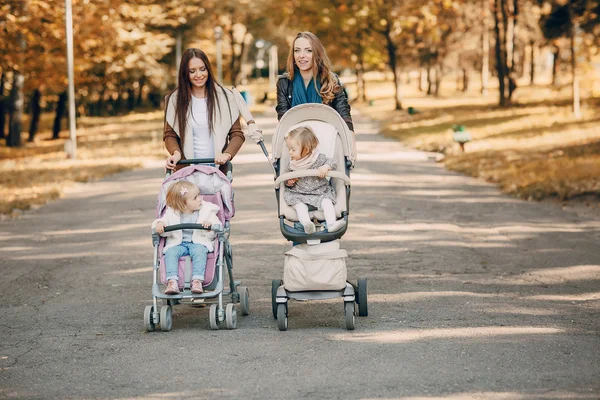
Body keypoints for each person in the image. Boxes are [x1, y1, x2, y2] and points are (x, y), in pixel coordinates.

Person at [163, 48, 261, 172]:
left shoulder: (226, 98)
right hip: (186, 170)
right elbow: (169, 135)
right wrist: (176, 153)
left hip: (218, 170)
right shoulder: (174, 100)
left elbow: (237, 134)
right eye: (192, 71)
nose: (198, 75)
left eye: (202, 69)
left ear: (208, 69)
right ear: (185, 73)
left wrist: (226, 154)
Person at [276, 31, 356, 162]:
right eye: (297, 51)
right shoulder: (284, 83)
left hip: (327, 142)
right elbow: (284, 118)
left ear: (317, 53)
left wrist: (351, 144)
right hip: (296, 145)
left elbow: (344, 114)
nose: (301, 56)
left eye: (308, 50)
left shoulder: (331, 80)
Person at [152, 181, 221, 295]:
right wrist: (160, 224)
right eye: (195, 197)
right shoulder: (172, 213)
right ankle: (172, 281)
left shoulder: (206, 211)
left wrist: (209, 227)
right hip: (179, 243)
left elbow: (217, 226)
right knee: (170, 252)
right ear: (183, 204)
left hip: (198, 242)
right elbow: (164, 221)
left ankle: (197, 280)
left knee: (199, 251)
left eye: (199, 194)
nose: (200, 198)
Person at [284, 126, 346, 234]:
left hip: (319, 192)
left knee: (327, 202)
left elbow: (333, 162)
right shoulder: (292, 164)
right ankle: (307, 224)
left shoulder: (318, 159)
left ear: (307, 149)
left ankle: (331, 224)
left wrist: (326, 167)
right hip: (299, 193)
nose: (290, 152)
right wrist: (290, 182)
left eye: (293, 149)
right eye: (289, 149)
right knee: (300, 207)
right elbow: (288, 180)